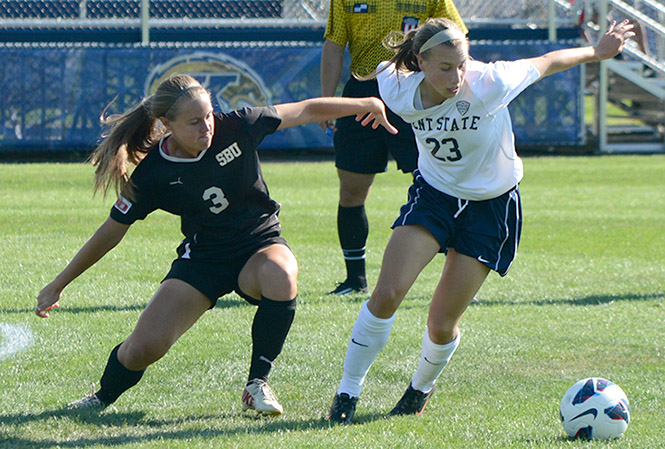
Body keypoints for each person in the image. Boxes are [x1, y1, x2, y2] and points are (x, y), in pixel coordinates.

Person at [328, 17, 635, 423]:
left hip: (490, 208)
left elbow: (547, 61)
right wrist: (375, 107)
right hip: (435, 196)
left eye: (462, 63)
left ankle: (418, 390)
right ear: (419, 62)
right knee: (386, 294)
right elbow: (379, 77)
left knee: (440, 325)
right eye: (445, 67)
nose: (457, 76)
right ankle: (347, 393)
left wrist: (597, 51)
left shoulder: (491, 82)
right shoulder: (395, 85)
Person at [35, 73, 397, 415]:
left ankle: (257, 384)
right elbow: (110, 233)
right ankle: (101, 397)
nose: (206, 126)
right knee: (143, 349)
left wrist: (364, 102)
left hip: (259, 243)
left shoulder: (238, 125)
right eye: (193, 122)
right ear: (167, 124)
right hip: (204, 260)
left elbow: (302, 109)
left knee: (281, 274)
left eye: (207, 115)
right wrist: (59, 283)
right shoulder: (154, 173)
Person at [320, 0, 467, 295]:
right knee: (351, 188)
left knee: (440, 184)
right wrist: (327, 101)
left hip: (416, 92)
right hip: (362, 95)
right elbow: (334, 45)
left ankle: (460, 279)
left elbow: (457, 38)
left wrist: (455, 90)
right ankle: (354, 279)